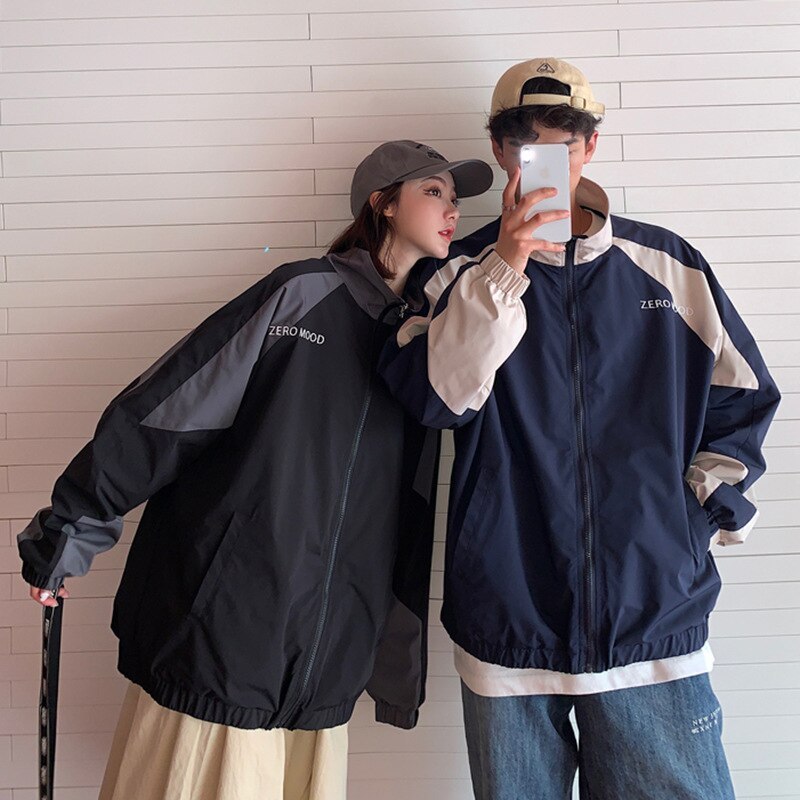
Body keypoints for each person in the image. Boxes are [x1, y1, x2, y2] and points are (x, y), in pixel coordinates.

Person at [17, 140, 494, 800]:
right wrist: (70, 529)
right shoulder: (303, 293)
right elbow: (168, 410)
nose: (453, 211)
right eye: (434, 192)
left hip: (327, 658)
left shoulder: (424, 341)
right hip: (229, 629)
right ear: (383, 203)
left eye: (456, 198)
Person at [379, 59, 781, 799]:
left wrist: (693, 516)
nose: (545, 163)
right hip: (508, 616)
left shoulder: (669, 267)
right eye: (526, 146)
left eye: (563, 146)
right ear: (500, 151)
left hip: (652, 620)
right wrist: (506, 267)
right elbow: (436, 401)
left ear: (591, 147)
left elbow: (744, 397)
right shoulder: (454, 275)